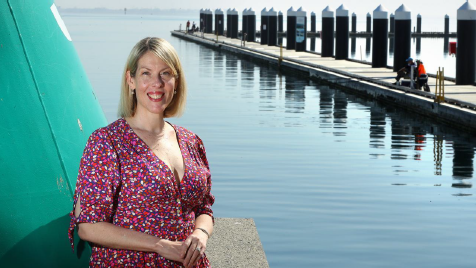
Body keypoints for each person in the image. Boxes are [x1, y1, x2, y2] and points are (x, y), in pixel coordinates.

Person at [68, 37, 215, 268]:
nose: (156, 83)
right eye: (146, 73)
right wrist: (160, 244)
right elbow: (88, 226)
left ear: (175, 82)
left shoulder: (191, 142)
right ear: (131, 80)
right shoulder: (107, 143)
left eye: (165, 73)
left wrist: (201, 234)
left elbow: (204, 207)